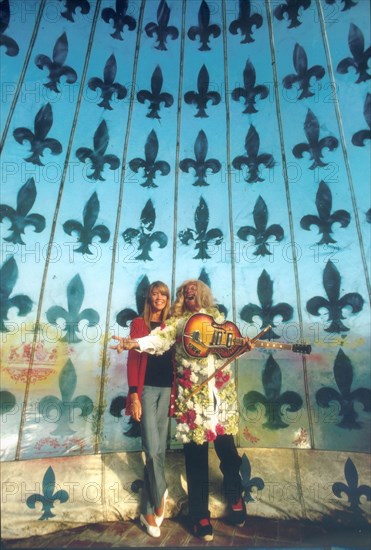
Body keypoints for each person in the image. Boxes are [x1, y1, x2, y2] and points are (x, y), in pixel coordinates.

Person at [112, 279, 253, 542]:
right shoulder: (177, 323)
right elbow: (158, 340)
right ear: (181, 300)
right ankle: (199, 514)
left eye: (195, 292)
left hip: (219, 399)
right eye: (186, 293)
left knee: (228, 453)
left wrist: (242, 348)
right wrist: (134, 344)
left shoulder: (219, 321)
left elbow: (228, 351)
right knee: (196, 459)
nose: (191, 295)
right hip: (192, 401)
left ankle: (234, 492)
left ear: (204, 296)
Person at [116, 281, 175, 538]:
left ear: (167, 298)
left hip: (168, 390)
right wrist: (134, 395)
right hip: (147, 390)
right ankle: (161, 489)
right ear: (149, 297)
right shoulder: (139, 324)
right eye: (155, 293)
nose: (159, 297)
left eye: (163, 293)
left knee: (159, 449)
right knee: (151, 450)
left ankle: (147, 510)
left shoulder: (171, 326)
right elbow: (133, 360)